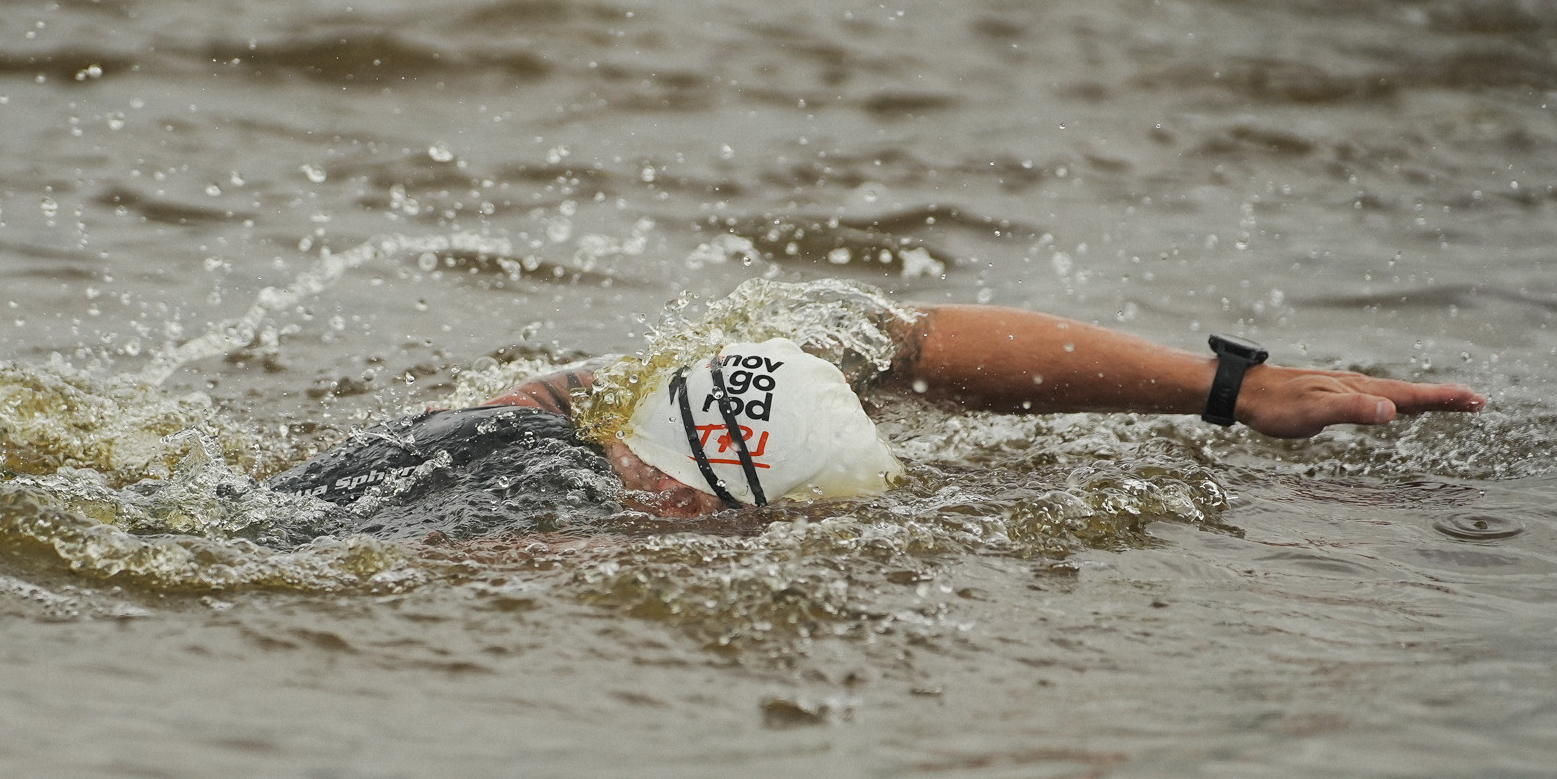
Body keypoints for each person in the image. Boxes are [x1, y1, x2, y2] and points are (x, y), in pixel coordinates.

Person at [269, 281, 1485, 534]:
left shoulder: (571, 408)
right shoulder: (521, 518)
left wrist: (1231, 384)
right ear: (677, 491)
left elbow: (908, 340)